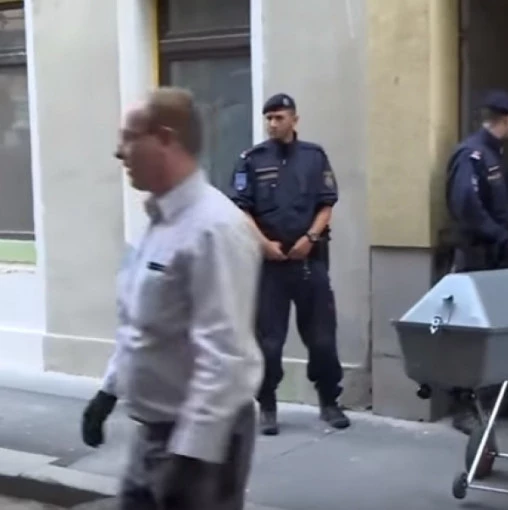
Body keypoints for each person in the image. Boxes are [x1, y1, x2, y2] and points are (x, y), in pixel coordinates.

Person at [79, 87, 263, 510]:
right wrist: (109, 391)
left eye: (129, 137)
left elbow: (226, 355)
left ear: (165, 139)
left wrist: (193, 456)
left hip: (204, 439)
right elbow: (142, 326)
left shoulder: (214, 229)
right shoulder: (159, 224)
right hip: (153, 433)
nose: (119, 152)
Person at [229, 93, 350, 436]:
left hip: (310, 260)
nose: (272, 124)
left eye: (279, 117)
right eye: (268, 118)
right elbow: (241, 209)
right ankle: (267, 404)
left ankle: (329, 401)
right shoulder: (252, 160)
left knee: (322, 339)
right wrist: (263, 244)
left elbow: (326, 204)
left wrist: (310, 238)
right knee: (269, 342)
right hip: (271, 265)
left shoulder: (314, 156)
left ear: (294, 119)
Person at [444, 89, 508, 435]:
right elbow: (467, 208)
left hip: (495, 260)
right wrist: (503, 236)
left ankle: (505, 396)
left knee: (500, 330)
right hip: (476, 260)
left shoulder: (494, 155)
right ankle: (463, 406)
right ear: (507, 120)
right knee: (467, 334)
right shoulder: (473, 155)